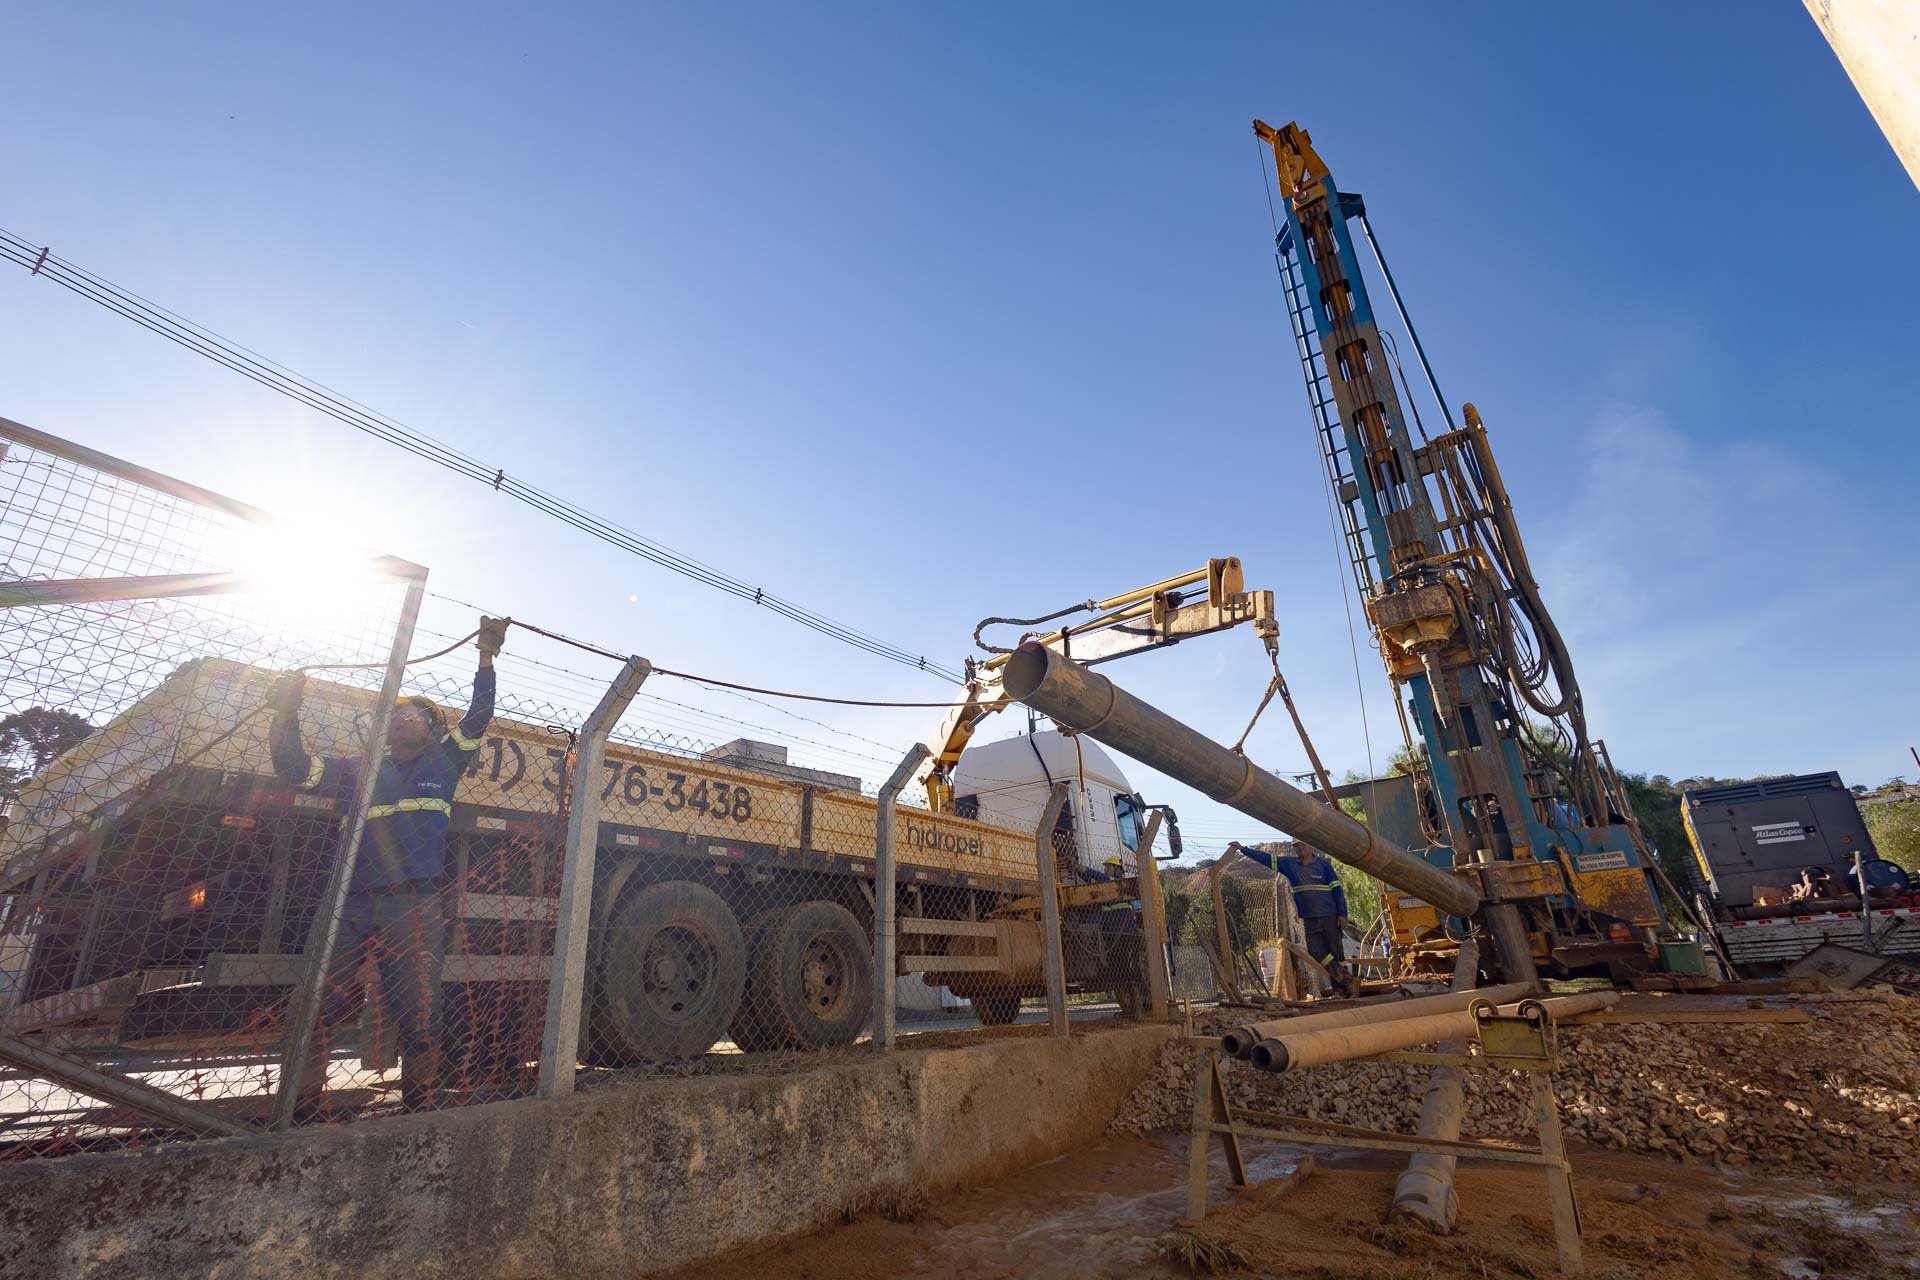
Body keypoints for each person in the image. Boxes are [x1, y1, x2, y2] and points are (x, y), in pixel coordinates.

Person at [268, 616, 506, 1111]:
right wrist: (286, 711)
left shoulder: (444, 762)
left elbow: (479, 714)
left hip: (413, 908)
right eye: (399, 711)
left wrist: (485, 655)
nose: (405, 716)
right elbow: (294, 767)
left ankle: (417, 1107)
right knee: (313, 1011)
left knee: (419, 1018)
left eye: (418, 713)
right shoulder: (358, 771)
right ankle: (304, 1108)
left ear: (435, 730)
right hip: (347, 906)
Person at [1236, 840, 1348, 983]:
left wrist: (1342, 914)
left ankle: (1343, 990)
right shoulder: (1289, 865)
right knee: (1314, 950)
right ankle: (1348, 981)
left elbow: (1337, 890)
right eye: (1297, 846)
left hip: (1329, 915)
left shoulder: (1324, 865)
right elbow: (1267, 859)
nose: (1300, 848)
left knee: (1337, 954)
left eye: (1303, 844)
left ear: (1310, 846)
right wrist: (1243, 849)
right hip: (1309, 917)